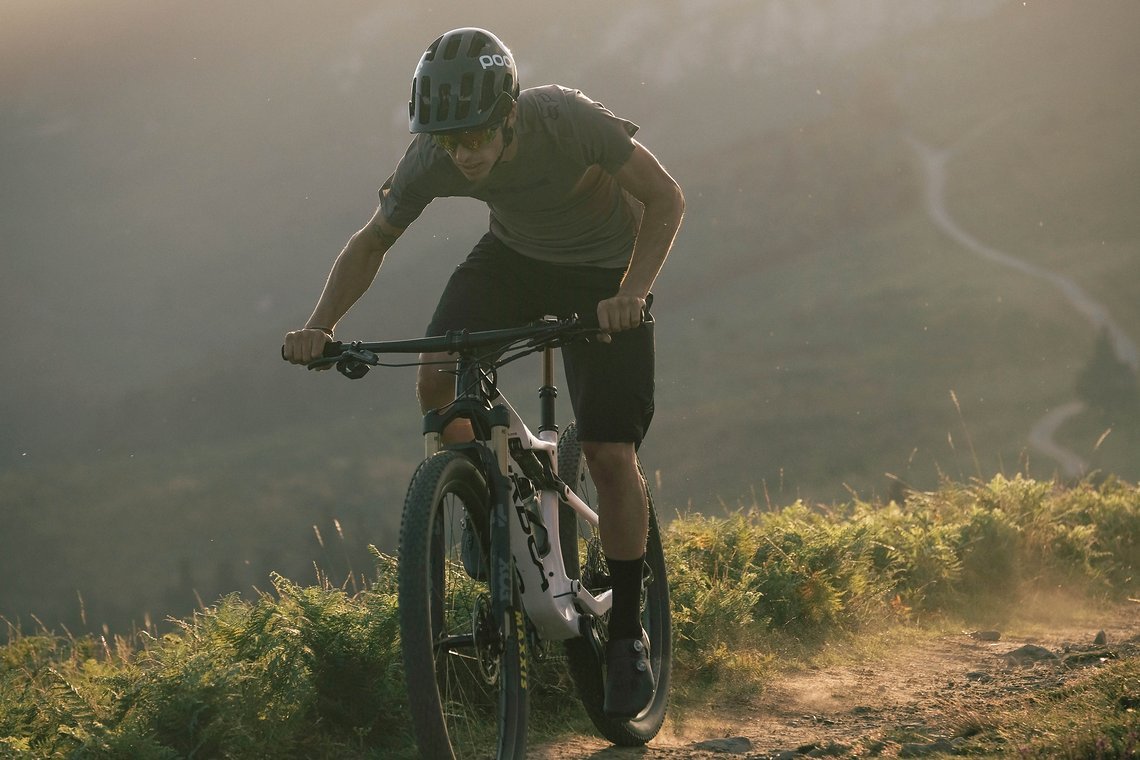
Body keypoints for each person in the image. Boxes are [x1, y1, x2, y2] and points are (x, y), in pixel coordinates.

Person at [283, 27, 683, 719]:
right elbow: (371, 241)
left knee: (612, 455)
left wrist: (634, 293)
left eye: (475, 138)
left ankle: (625, 638)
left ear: (509, 115)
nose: (463, 155)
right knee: (437, 374)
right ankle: (475, 486)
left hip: (604, 275)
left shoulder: (567, 120)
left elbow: (667, 198)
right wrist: (322, 325)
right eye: (449, 142)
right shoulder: (434, 157)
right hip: (514, 260)